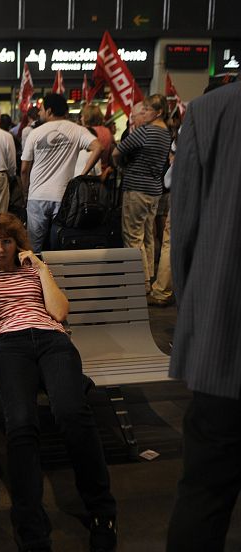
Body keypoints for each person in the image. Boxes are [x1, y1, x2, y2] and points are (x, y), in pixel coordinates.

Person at [0, 212, 117, 552]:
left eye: (7, 241)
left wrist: (42, 268)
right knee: (22, 424)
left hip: (51, 340)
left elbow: (59, 313)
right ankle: (30, 524)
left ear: (18, 244)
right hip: (5, 346)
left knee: (73, 413)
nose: (0, 249)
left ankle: (102, 509)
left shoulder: (32, 271)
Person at [166, 80, 241, 552]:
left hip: (226, 343)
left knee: (205, 495)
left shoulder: (212, 111)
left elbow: (186, 232)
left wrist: (197, 313)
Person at [21, 93, 102, 252]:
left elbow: (24, 169)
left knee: (33, 249)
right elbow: (98, 147)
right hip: (64, 197)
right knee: (59, 246)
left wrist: (25, 192)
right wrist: (82, 175)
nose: (39, 113)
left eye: (42, 109)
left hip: (37, 196)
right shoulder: (78, 130)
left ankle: (34, 276)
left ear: (49, 111)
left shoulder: (35, 133)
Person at [112, 95, 171, 293]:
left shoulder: (145, 131)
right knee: (147, 236)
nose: (143, 113)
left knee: (132, 237)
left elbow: (116, 152)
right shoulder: (166, 133)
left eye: (146, 110)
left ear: (158, 112)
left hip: (136, 189)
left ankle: (136, 284)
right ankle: (147, 281)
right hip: (154, 190)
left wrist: (121, 168)